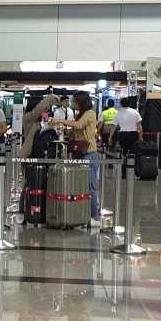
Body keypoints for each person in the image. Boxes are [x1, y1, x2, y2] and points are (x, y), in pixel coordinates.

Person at [54, 91, 100, 224]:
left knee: (90, 185)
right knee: (79, 185)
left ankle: (94, 215)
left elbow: (79, 125)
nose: (73, 104)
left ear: (81, 101)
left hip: (89, 153)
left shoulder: (90, 113)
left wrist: (60, 120)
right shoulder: (80, 114)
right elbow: (76, 129)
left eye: (75, 101)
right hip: (78, 152)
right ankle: (81, 213)